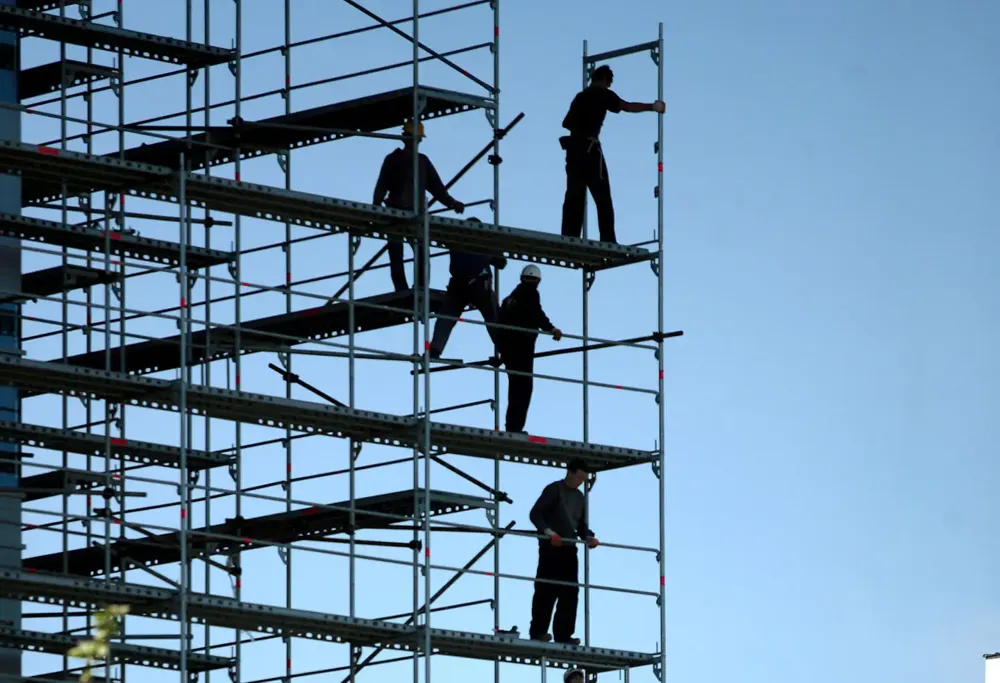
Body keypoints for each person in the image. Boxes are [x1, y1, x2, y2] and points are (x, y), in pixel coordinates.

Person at [559, 64, 666, 244]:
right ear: (605, 80)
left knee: (574, 195)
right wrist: (653, 107)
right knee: (603, 198)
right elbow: (626, 106)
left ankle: (569, 236)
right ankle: (608, 238)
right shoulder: (602, 94)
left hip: (574, 150)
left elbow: (567, 123)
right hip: (589, 150)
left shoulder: (580, 97)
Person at [372, 120, 465, 292]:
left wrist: (452, 203)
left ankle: (420, 287)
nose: (416, 141)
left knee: (420, 252)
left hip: (415, 215)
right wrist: (376, 209)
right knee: (399, 253)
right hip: (396, 214)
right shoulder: (395, 159)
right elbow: (381, 186)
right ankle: (403, 288)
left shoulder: (421, 161)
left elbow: (437, 188)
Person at [528, 459, 600, 646]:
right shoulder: (554, 490)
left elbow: (581, 524)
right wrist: (548, 532)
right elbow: (535, 514)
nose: (579, 482)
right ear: (569, 472)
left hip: (569, 547)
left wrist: (588, 537)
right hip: (551, 547)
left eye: (583, 480)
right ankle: (538, 632)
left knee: (570, 592)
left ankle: (563, 635)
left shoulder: (579, 497)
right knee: (546, 590)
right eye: (578, 477)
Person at [429, 218, 508, 359]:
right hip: (475, 284)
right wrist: (492, 254)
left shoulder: (457, 238)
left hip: (462, 284)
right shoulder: (482, 241)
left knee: (445, 318)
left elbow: (501, 262)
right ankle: (507, 351)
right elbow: (501, 263)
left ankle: (435, 350)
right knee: (493, 317)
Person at [497, 265, 562, 433]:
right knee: (524, 388)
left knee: (515, 387)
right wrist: (551, 329)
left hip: (509, 348)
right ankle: (515, 427)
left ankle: (511, 426)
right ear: (538, 281)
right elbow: (536, 314)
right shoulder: (531, 293)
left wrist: (501, 351)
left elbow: (501, 322)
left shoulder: (509, 299)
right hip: (522, 347)